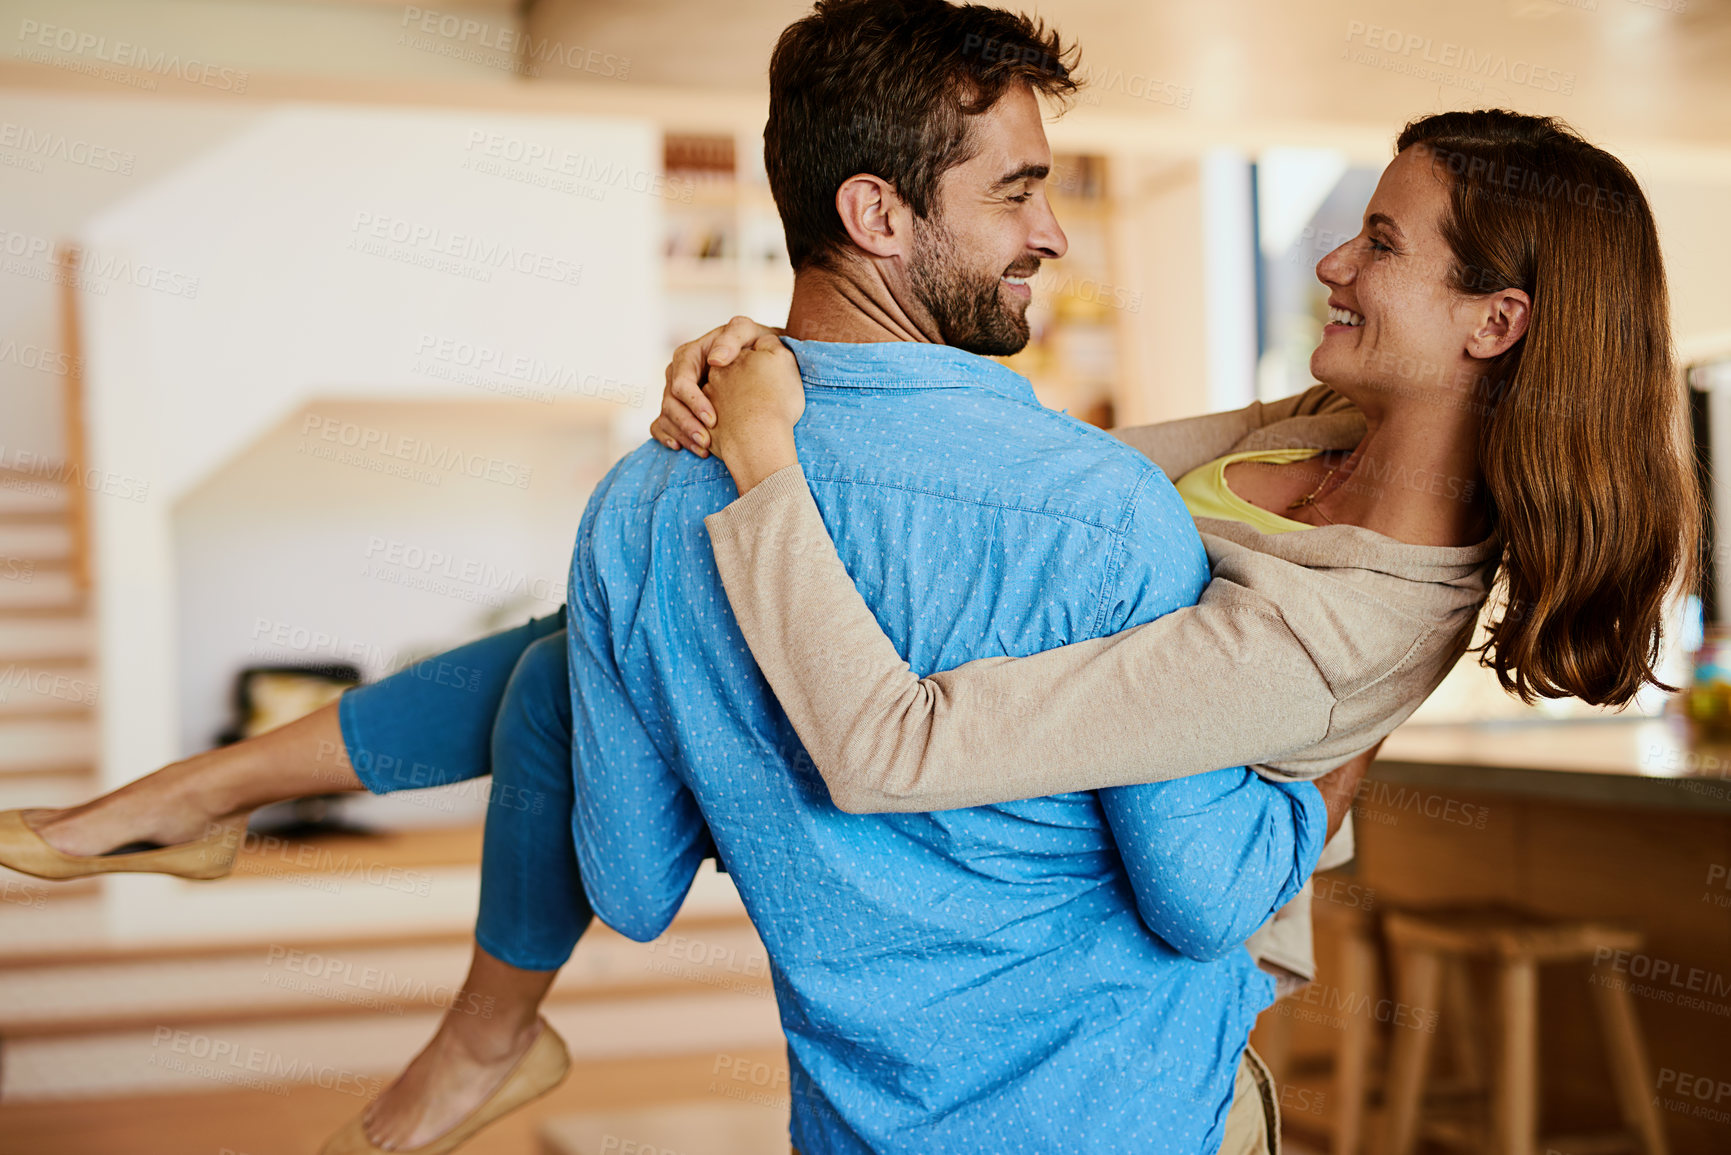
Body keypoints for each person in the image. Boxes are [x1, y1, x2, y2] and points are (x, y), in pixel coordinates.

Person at [0, 34, 1694, 1155]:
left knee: (620, 633)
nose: (1333, 255)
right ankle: (209, 795)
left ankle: (323, 901)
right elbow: (989, 467)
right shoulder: (1309, 425)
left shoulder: (1354, 620)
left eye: (1381, 242)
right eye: (1019, 190)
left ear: (1497, 322)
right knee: (594, 638)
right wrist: (765, 364)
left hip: (1138, 1066)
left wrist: (762, 472)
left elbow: (929, 753)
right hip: (999, 981)